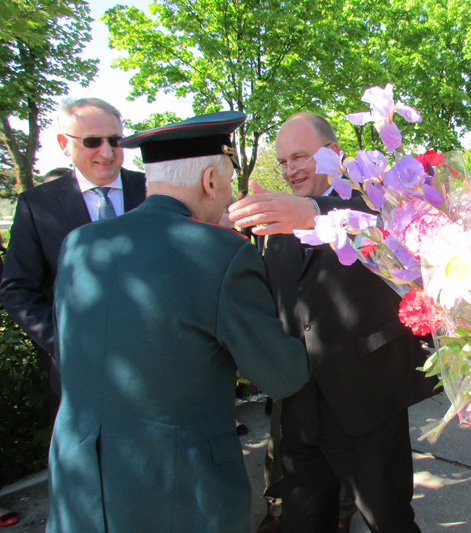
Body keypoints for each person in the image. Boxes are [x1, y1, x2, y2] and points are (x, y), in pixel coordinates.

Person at [47, 111, 312, 532]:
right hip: (178, 496)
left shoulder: (78, 243)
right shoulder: (220, 254)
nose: (227, 197)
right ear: (210, 180)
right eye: (225, 185)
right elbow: (282, 375)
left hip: (81, 488)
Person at [228, 113, 437, 533]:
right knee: (303, 521)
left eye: (301, 157)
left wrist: (312, 212)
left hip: (367, 405)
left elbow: (390, 245)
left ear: (335, 154)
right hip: (301, 411)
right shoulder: (277, 226)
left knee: (390, 520)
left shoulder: (377, 205)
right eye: (284, 161)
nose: (291, 170)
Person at [0, 98, 146, 424]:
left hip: (155, 367)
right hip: (80, 378)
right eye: (93, 141)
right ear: (65, 144)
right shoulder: (37, 206)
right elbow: (17, 290)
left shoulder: (154, 191)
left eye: (115, 140)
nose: (107, 152)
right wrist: (64, 345)